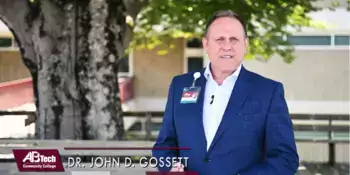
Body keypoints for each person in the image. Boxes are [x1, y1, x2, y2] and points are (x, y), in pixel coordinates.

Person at [152, 10, 299, 175]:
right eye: (219, 39)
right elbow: (164, 145)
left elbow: (285, 159)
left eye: (234, 39)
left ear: (245, 45)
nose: (227, 46)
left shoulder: (268, 92)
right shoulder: (181, 85)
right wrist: (170, 167)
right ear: (206, 45)